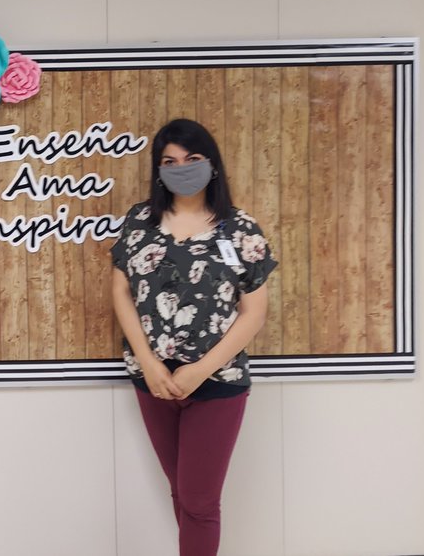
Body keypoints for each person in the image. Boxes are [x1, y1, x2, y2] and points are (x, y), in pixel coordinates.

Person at [110, 119, 278, 556]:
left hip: (217, 383)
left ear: (212, 164)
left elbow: (254, 311)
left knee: (201, 502)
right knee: (182, 494)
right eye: (170, 161)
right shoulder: (139, 221)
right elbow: (120, 291)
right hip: (153, 381)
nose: (181, 168)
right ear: (158, 169)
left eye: (192, 159)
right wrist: (148, 362)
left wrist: (201, 369)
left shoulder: (240, 229)